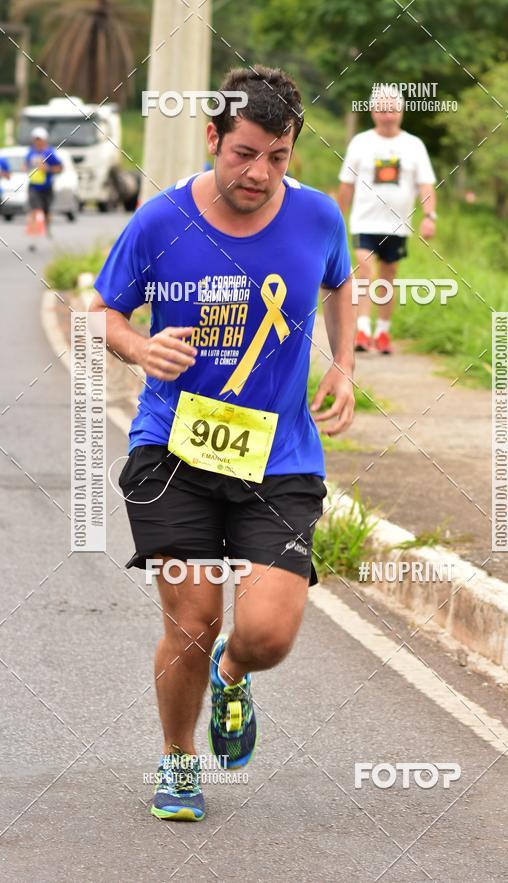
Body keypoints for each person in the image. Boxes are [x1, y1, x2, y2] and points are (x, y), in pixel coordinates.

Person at [90, 65, 355, 822]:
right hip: (173, 450)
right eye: (244, 153)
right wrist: (138, 349)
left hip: (280, 456)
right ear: (212, 138)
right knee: (193, 619)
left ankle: (234, 675)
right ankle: (177, 761)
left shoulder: (315, 218)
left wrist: (343, 363)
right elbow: (105, 309)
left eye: (278, 155)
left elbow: (339, 282)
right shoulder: (161, 221)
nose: (260, 173)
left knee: (266, 632)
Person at [338, 96, 437, 354]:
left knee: (388, 277)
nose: (388, 115)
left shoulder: (414, 145)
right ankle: (362, 330)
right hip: (364, 221)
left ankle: (382, 331)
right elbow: (346, 185)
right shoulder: (360, 142)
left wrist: (429, 215)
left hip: (397, 225)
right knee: (365, 270)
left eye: (393, 110)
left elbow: (425, 184)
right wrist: (337, 218)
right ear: (373, 112)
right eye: (383, 110)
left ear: (401, 112)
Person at [25, 126, 62, 248]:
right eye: (35, 139)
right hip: (34, 187)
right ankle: (34, 239)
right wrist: (26, 168)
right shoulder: (31, 152)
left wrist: (48, 169)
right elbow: (25, 165)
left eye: (40, 139)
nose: (38, 142)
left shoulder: (49, 153)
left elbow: (60, 168)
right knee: (36, 211)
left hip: (47, 187)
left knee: (46, 212)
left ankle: (47, 228)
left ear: (44, 139)